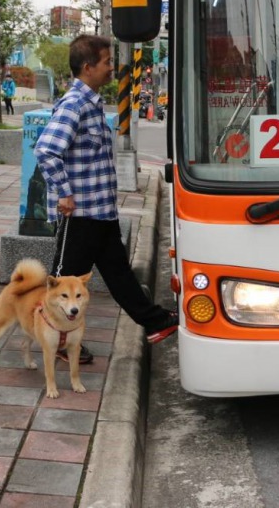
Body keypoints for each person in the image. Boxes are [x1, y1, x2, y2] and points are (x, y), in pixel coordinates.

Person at [34, 34, 178, 364]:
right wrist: (65, 192)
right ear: (88, 67)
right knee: (62, 284)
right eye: (107, 62)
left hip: (101, 211)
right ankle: (54, 340)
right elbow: (46, 150)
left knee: (119, 274)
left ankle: (155, 322)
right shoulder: (74, 105)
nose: (112, 68)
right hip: (81, 214)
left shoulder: (92, 102)